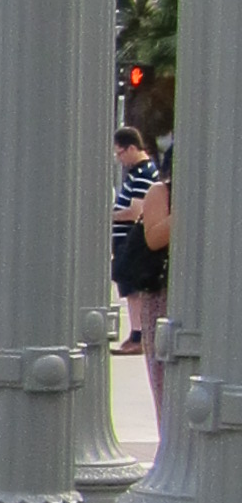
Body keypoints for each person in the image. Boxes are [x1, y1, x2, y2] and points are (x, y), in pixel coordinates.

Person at [112, 125, 168, 425]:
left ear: (132, 147)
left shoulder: (146, 176)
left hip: (154, 272)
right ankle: (137, 334)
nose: (119, 158)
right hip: (150, 274)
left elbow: (135, 212)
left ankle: (137, 335)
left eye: (120, 152)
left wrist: (109, 214)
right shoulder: (146, 181)